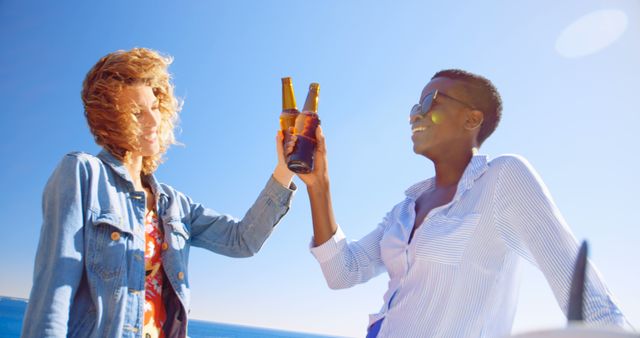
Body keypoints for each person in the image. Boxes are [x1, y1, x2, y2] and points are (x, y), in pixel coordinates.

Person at [289, 69, 632, 337]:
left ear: (472, 119)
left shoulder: (502, 179)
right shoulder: (403, 210)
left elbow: (588, 300)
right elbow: (342, 272)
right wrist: (319, 184)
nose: (414, 116)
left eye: (430, 103)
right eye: (414, 107)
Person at [21, 48, 296, 338]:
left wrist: (284, 170)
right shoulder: (82, 174)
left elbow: (243, 240)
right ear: (110, 120)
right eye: (137, 113)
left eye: (154, 106)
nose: (153, 121)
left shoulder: (174, 204)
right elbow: (53, 291)